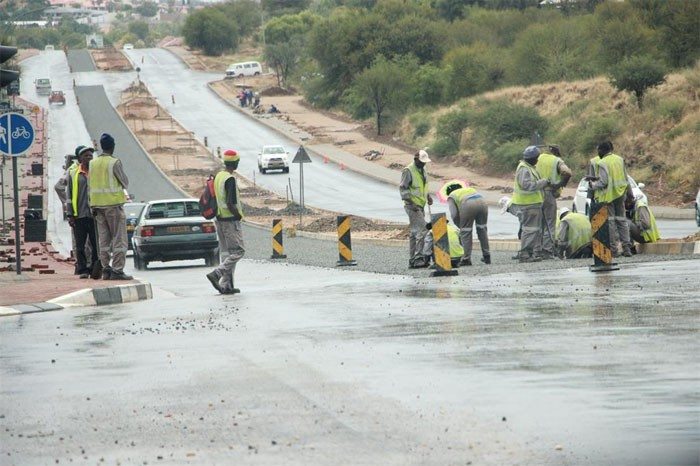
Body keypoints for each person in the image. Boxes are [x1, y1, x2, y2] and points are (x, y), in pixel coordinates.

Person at [89, 133, 132, 280]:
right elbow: (125, 182)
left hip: (97, 206)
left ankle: (106, 269)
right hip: (113, 205)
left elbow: (90, 184)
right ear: (112, 146)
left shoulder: (92, 163)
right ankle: (118, 270)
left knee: (104, 240)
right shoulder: (114, 162)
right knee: (119, 239)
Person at [206, 150, 245, 294]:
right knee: (239, 251)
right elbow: (230, 203)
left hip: (219, 219)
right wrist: (238, 215)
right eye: (237, 162)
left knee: (227, 253)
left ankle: (227, 285)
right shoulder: (229, 179)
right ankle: (217, 274)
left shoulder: (218, 176)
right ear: (234, 163)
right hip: (230, 220)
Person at [589, 141, 633, 257]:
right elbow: (625, 178)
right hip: (620, 194)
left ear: (603, 150)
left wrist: (592, 185)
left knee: (611, 223)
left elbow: (603, 182)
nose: (598, 153)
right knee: (622, 221)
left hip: (608, 197)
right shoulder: (619, 159)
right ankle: (627, 248)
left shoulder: (602, 163)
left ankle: (613, 250)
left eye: (599, 150)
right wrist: (630, 194)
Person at [65, 146, 100, 279]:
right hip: (78, 215)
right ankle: (82, 269)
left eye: (91, 155)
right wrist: (70, 214)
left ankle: (94, 269)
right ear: (80, 159)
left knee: (96, 244)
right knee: (80, 245)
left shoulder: (96, 172)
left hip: (94, 215)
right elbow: (69, 194)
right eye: (86, 156)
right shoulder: (74, 173)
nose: (89, 158)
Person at [512, 146, 550, 263]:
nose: (537, 160)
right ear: (532, 158)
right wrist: (543, 182)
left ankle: (530, 253)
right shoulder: (524, 169)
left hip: (532, 204)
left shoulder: (529, 168)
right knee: (530, 230)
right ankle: (525, 254)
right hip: (527, 204)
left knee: (533, 230)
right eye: (536, 158)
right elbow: (527, 185)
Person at [535, 145, 572, 259]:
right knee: (549, 223)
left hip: (535, 194)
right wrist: (559, 184)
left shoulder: (537, 158)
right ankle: (547, 251)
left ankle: (537, 250)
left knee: (538, 223)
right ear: (556, 153)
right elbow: (567, 172)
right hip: (548, 193)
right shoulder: (557, 160)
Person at [400, 149, 433, 268]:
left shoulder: (423, 169)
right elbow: (403, 189)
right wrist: (411, 203)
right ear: (415, 160)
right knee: (422, 230)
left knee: (414, 233)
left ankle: (413, 260)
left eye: (425, 162)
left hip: (420, 204)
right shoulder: (408, 170)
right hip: (412, 206)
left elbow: (423, 186)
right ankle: (419, 259)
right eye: (421, 162)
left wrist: (428, 196)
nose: (423, 164)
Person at [445, 183, 490, 266]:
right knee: (482, 229)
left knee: (466, 232)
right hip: (482, 202)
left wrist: (459, 225)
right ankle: (487, 255)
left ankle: (466, 259)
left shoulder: (451, 196)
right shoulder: (469, 189)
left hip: (468, 204)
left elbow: (454, 214)